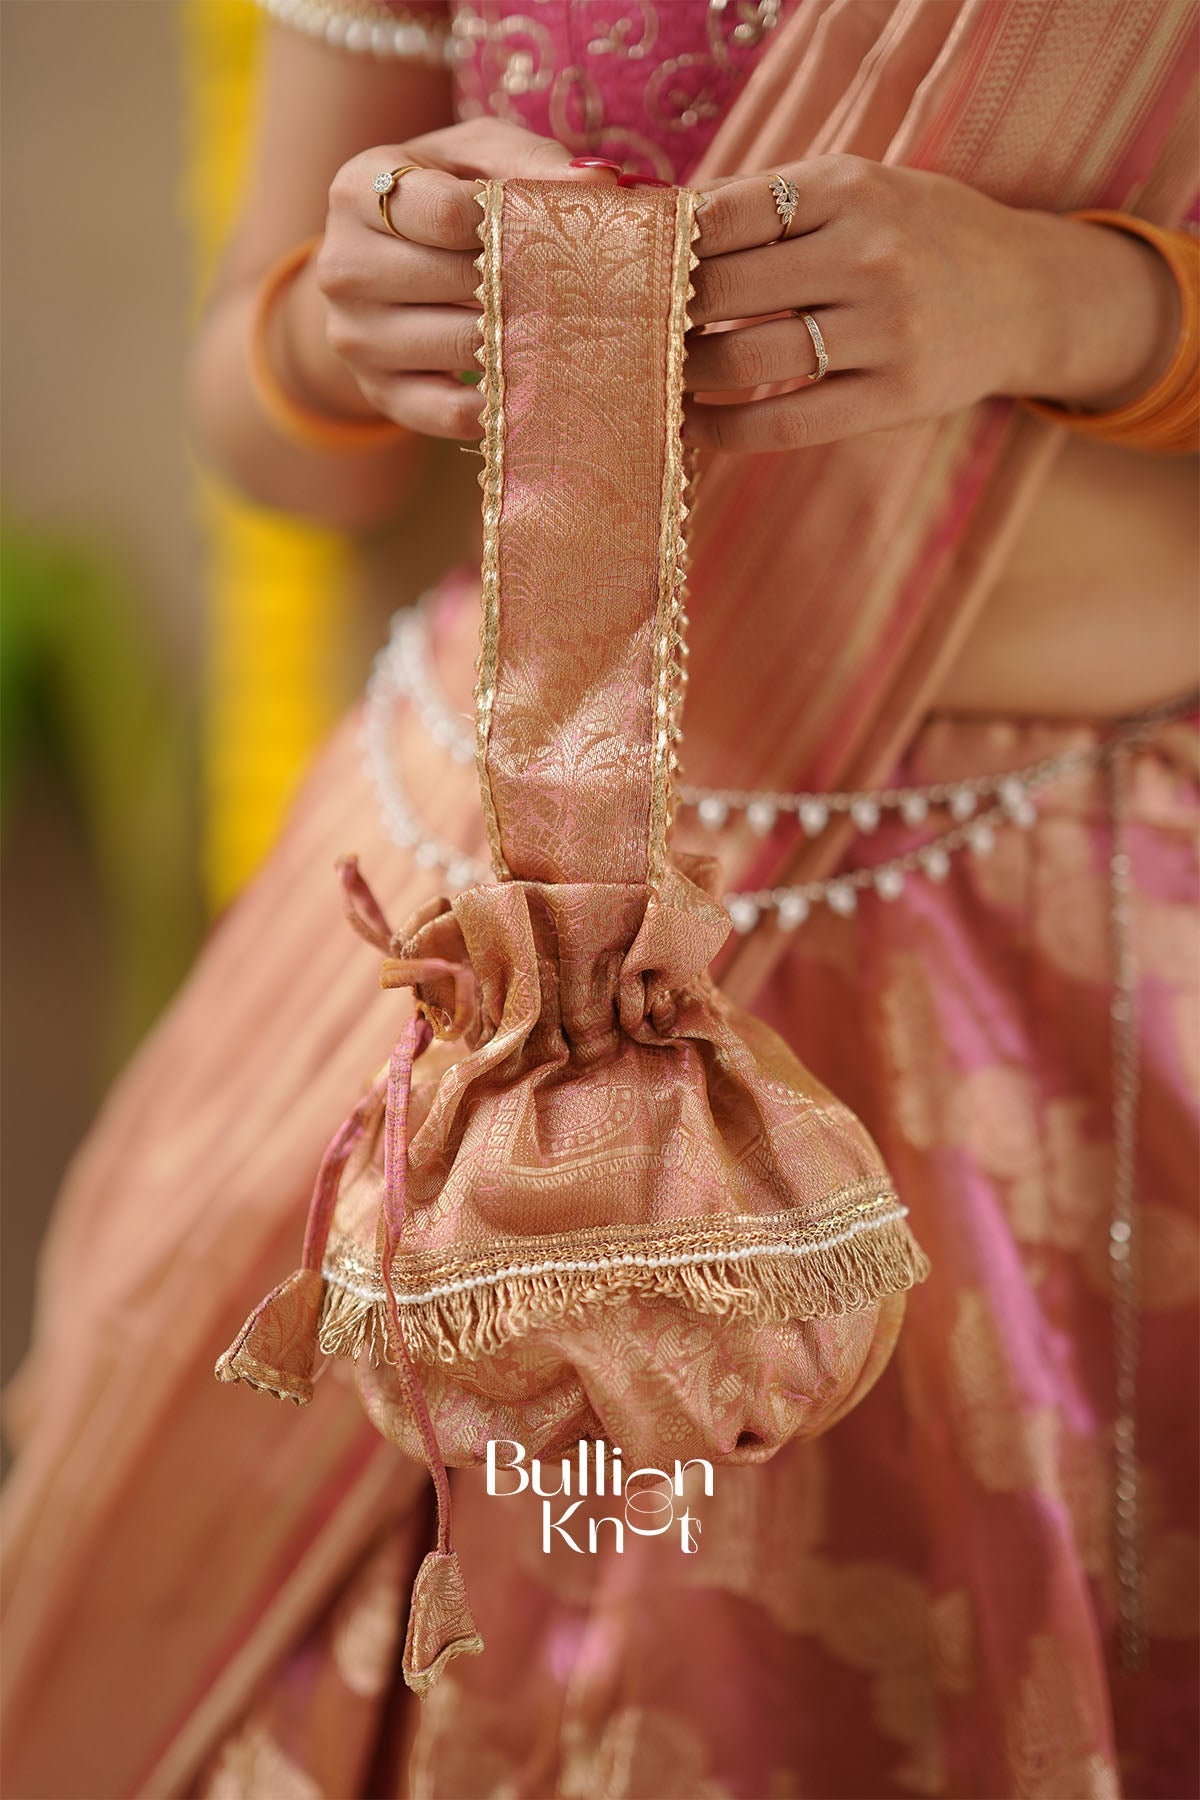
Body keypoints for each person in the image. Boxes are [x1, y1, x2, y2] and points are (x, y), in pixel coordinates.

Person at [2, 3, 1196, 1796]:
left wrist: (1074, 304)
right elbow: (270, 437)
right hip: (472, 901)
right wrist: (341, 333)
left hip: (1071, 936)